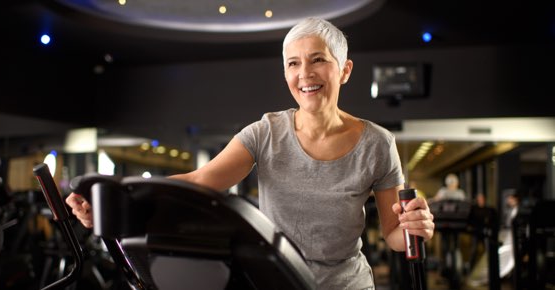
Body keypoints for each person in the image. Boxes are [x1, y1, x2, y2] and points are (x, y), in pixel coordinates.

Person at [65, 17, 435, 290]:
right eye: (293, 63)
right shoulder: (265, 132)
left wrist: (415, 228)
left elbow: (393, 234)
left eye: (318, 59)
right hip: (277, 280)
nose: (305, 73)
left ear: (345, 70)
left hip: (346, 284)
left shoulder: (378, 143)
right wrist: (111, 198)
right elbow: (198, 182)